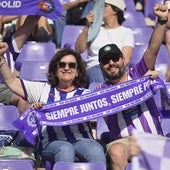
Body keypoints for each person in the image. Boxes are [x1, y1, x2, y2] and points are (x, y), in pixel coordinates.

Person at [0, 47, 106, 168]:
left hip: (83, 140)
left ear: (77, 72)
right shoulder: (42, 90)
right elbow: (12, 81)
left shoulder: (86, 94)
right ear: (55, 70)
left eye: (72, 65)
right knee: (65, 149)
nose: (67, 68)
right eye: (62, 64)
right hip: (52, 142)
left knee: (96, 149)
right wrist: (1, 60)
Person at [94, 3, 168, 170]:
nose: (111, 63)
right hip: (123, 141)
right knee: (116, 150)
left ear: (122, 59)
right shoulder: (100, 90)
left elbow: (152, 50)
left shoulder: (138, 74)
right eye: (106, 61)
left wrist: (162, 21)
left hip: (153, 137)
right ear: (100, 66)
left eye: (115, 58)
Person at [75, 0, 134, 85]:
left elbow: (126, 58)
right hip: (94, 67)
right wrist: (87, 26)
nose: (100, 8)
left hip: (115, 68)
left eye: (105, 5)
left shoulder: (126, 32)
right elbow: (79, 49)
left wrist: (111, 69)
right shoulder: (94, 29)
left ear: (115, 10)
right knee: (96, 73)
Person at [0, 15, 41, 113]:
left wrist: (38, 8)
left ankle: (25, 128)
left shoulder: (9, 48)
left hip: (5, 88)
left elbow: (30, 23)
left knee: (24, 98)